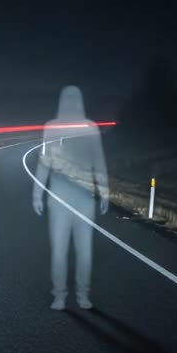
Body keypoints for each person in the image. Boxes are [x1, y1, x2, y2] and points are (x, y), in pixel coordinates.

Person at [32, 85, 109, 310]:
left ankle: (75, 295)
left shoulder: (87, 128)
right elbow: (45, 162)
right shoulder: (57, 128)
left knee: (80, 251)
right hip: (63, 198)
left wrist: (105, 191)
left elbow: (98, 161)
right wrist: (37, 194)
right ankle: (63, 295)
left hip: (79, 198)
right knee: (65, 251)